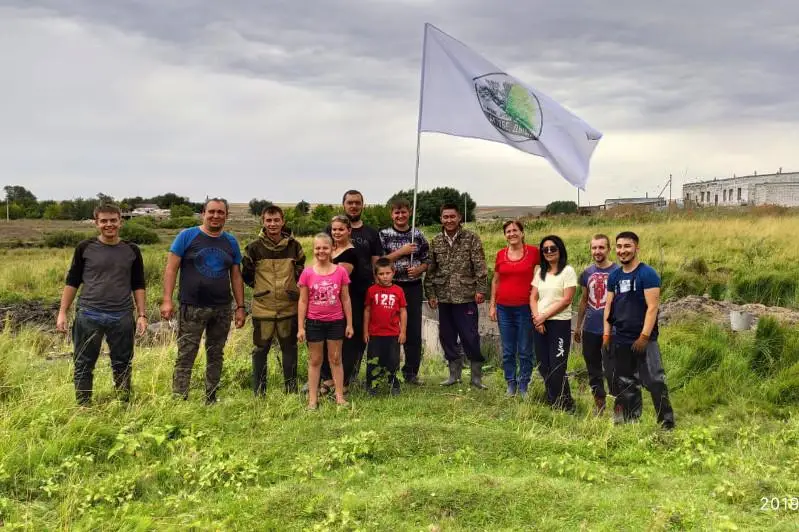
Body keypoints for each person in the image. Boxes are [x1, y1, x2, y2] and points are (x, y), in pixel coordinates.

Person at [56, 203, 147, 405]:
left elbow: (138, 284)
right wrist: (62, 312)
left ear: (120, 222)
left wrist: (142, 315)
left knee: (123, 363)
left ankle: (122, 403)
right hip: (89, 314)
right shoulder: (85, 248)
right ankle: (83, 406)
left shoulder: (132, 250)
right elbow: (72, 281)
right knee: (83, 363)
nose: (109, 225)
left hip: (122, 315)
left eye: (113, 220)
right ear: (96, 223)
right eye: (104, 221)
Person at [161, 198, 246, 404]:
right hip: (192, 307)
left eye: (220, 212)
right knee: (186, 353)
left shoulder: (231, 242)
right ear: (203, 214)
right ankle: (179, 398)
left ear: (226, 216)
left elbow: (236, 276)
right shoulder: (187, 236)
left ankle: (211, 397)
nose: (216, 216)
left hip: (222, 308)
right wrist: (167, 300)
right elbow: (171, 269)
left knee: (216, 354)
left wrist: (240, 306)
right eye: (212, 212)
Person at [603, 231, 675, 429]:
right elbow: (608, 307)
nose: (622, 250)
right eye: (619, 246)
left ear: (636, 248)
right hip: (621, 338)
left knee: (655, 381)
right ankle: (631, 420)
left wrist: (644, 337)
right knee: (626, 382)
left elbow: (652, 307)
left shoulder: (647, 274)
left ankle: (666, 422)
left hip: (645, 339)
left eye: (627, 246)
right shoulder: (614, 276)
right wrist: (607, 334)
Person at [242, 205, 305, 395]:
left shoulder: (295, 246)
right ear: (263, 222)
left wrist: (290, 290)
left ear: (283, 221)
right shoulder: (253, 248)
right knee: (260, 349)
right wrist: (263, 291)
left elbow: (301, 273)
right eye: (268, 220)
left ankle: (291, 390)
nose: (272, 224)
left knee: (289, 348)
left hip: (289, 307)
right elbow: (247, 275)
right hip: (263, 308)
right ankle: (259, 392)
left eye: (276, 220)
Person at [424, 203, 489, 389]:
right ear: (441, 219)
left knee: (470, 336)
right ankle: (454, 374)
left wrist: (481, 289)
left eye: (452, 216)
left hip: (466, 296)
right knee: (447, 336)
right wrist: (430, 293)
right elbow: (430, 270)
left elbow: (480, 267)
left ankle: (476, 377)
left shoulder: (471, 238)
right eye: (445, 217)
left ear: (459, 217)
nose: (449, 220)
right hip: (444, 297)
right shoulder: (436, 241)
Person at [297, 233, 354, 409]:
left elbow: (345, 298)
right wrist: (300, 327)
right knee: (315, 360)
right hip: (314, 323)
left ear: (332, 249)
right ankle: (312, 400)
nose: (321, 251)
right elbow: (303, 301)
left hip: (336, 322)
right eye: (318, 248)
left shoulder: (340, 271)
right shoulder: (307, 273)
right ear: (313, 249)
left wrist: (349, 323)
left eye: (325, 248)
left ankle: (339, 397)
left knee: (335, 359)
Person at [379, 198, 429, 385]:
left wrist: (419, 269)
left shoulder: (418, 234)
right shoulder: (384, 234)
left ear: (409, 212)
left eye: (404, 212)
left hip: (413, 287)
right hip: (391, 287)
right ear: (391, 214)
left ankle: (411, 372)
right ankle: (387, 370)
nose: (400, 216)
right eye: (396, 212)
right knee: (389, 328)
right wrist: (402, 251)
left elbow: (428, 259)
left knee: (413, 330)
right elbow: (380, 262)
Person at [489, 220, 539, 398]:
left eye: (515, 230)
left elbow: (542, 274)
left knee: (525, 349)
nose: (512, 234)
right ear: (505, 235)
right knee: (508, 350)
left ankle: (524, 384)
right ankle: (511, 383)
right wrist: (492, 305)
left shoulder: (533, 252)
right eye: (508, 231)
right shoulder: (500, 254)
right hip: (504, 309)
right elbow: (496, 281)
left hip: (525, 308)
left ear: (522, 233)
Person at [335, 190, 382, 383]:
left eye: (357, 202)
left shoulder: (371, 233)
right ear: (344, 205)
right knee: (335, 331)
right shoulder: (332, 228)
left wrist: (377, 289)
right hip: (335, 292)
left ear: (362, 205)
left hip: (362, 291)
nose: (353, 206)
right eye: (350, 202)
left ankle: (351, 374)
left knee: (357, 332)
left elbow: (376, 263)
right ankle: (329, 374)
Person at [530, 235, 577, 412]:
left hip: (559, 324)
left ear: (560, 249)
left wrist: (543, 316)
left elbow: (566, 300)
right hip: (540, 324)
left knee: (558, 366)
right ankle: (558, 401)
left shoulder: (568, 271)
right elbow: (533, 297)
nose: (549, 252)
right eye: (545, 249)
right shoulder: (540, 273)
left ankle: (561, 405)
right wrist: (537, 318)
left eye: (553, 248)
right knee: (543, 366)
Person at [574, 234, 620, 414]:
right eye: (594, 248)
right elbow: (584, 300)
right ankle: (599, 405)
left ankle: (618, 407)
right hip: (591, 328)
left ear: (609, 249)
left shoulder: (618, 271)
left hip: (613, 329)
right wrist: (578, 326)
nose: (597, 251)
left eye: (601, 247)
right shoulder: (586, 273)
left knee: (613, 369)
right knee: (593, 369)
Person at [319, 215, 360, 394]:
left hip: (345, 302)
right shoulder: (331, 250)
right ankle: (328, 379)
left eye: (341, 229)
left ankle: (343, 382)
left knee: (345, 343)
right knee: (328, 340)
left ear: (349, 231)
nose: (336, 232)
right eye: (334, 229)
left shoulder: (351, 253)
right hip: (328, 303)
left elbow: (336, 278)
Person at [363, 258, 407, 396]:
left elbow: (403, 311)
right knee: (373, 361)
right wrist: (365, 331)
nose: (385, 276)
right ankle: (372, 386)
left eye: (387, 273)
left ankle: (394, 385)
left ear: (393, 272)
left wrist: (403, 332)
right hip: (375, 334)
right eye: (381, 274)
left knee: (393, 361)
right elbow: (367, 311)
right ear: (376, 275)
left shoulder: (398, 291)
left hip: (393, 334)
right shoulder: (371, 290)